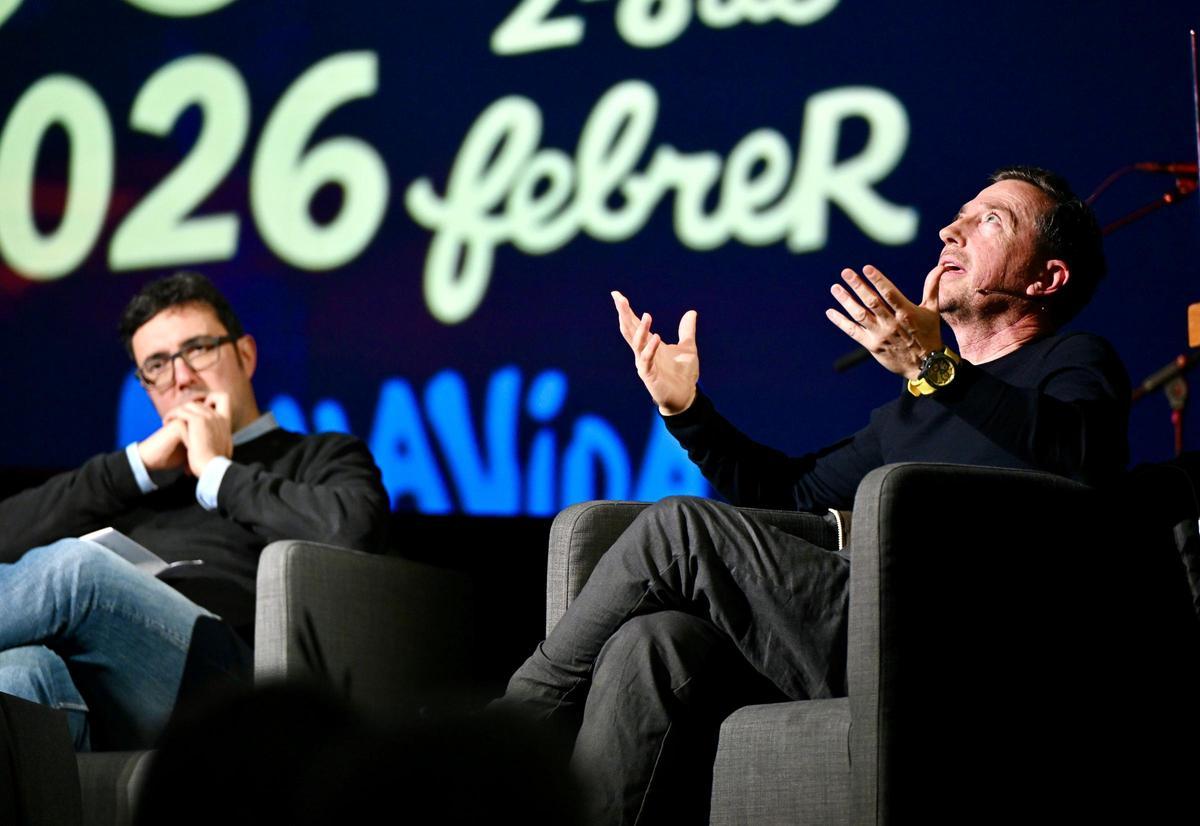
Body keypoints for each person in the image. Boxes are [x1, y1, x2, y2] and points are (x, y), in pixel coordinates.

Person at [497, 166, 1131, 824]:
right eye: (961, 213)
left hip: (949, 636)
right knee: (654, 643)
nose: (952, 229)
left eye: (991, 220)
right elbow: (789, 492)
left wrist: (932, 367)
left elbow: (1079, 458)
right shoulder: (915, 411)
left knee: (677, 528)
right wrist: (687, 412)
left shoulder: (1074, 361)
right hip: (859, 625)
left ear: (1045, 279)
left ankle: (505, 733)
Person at [0, 272, 389, 750]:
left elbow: (352, 530)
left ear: (245, 355)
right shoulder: (133, 484)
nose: (182, 378)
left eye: (199, 349)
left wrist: (215, 472)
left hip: (232, 681)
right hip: (104, 682)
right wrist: (135, 466)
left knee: (77, 571)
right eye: (157, 365)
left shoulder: (319, 454)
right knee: (19, 673)